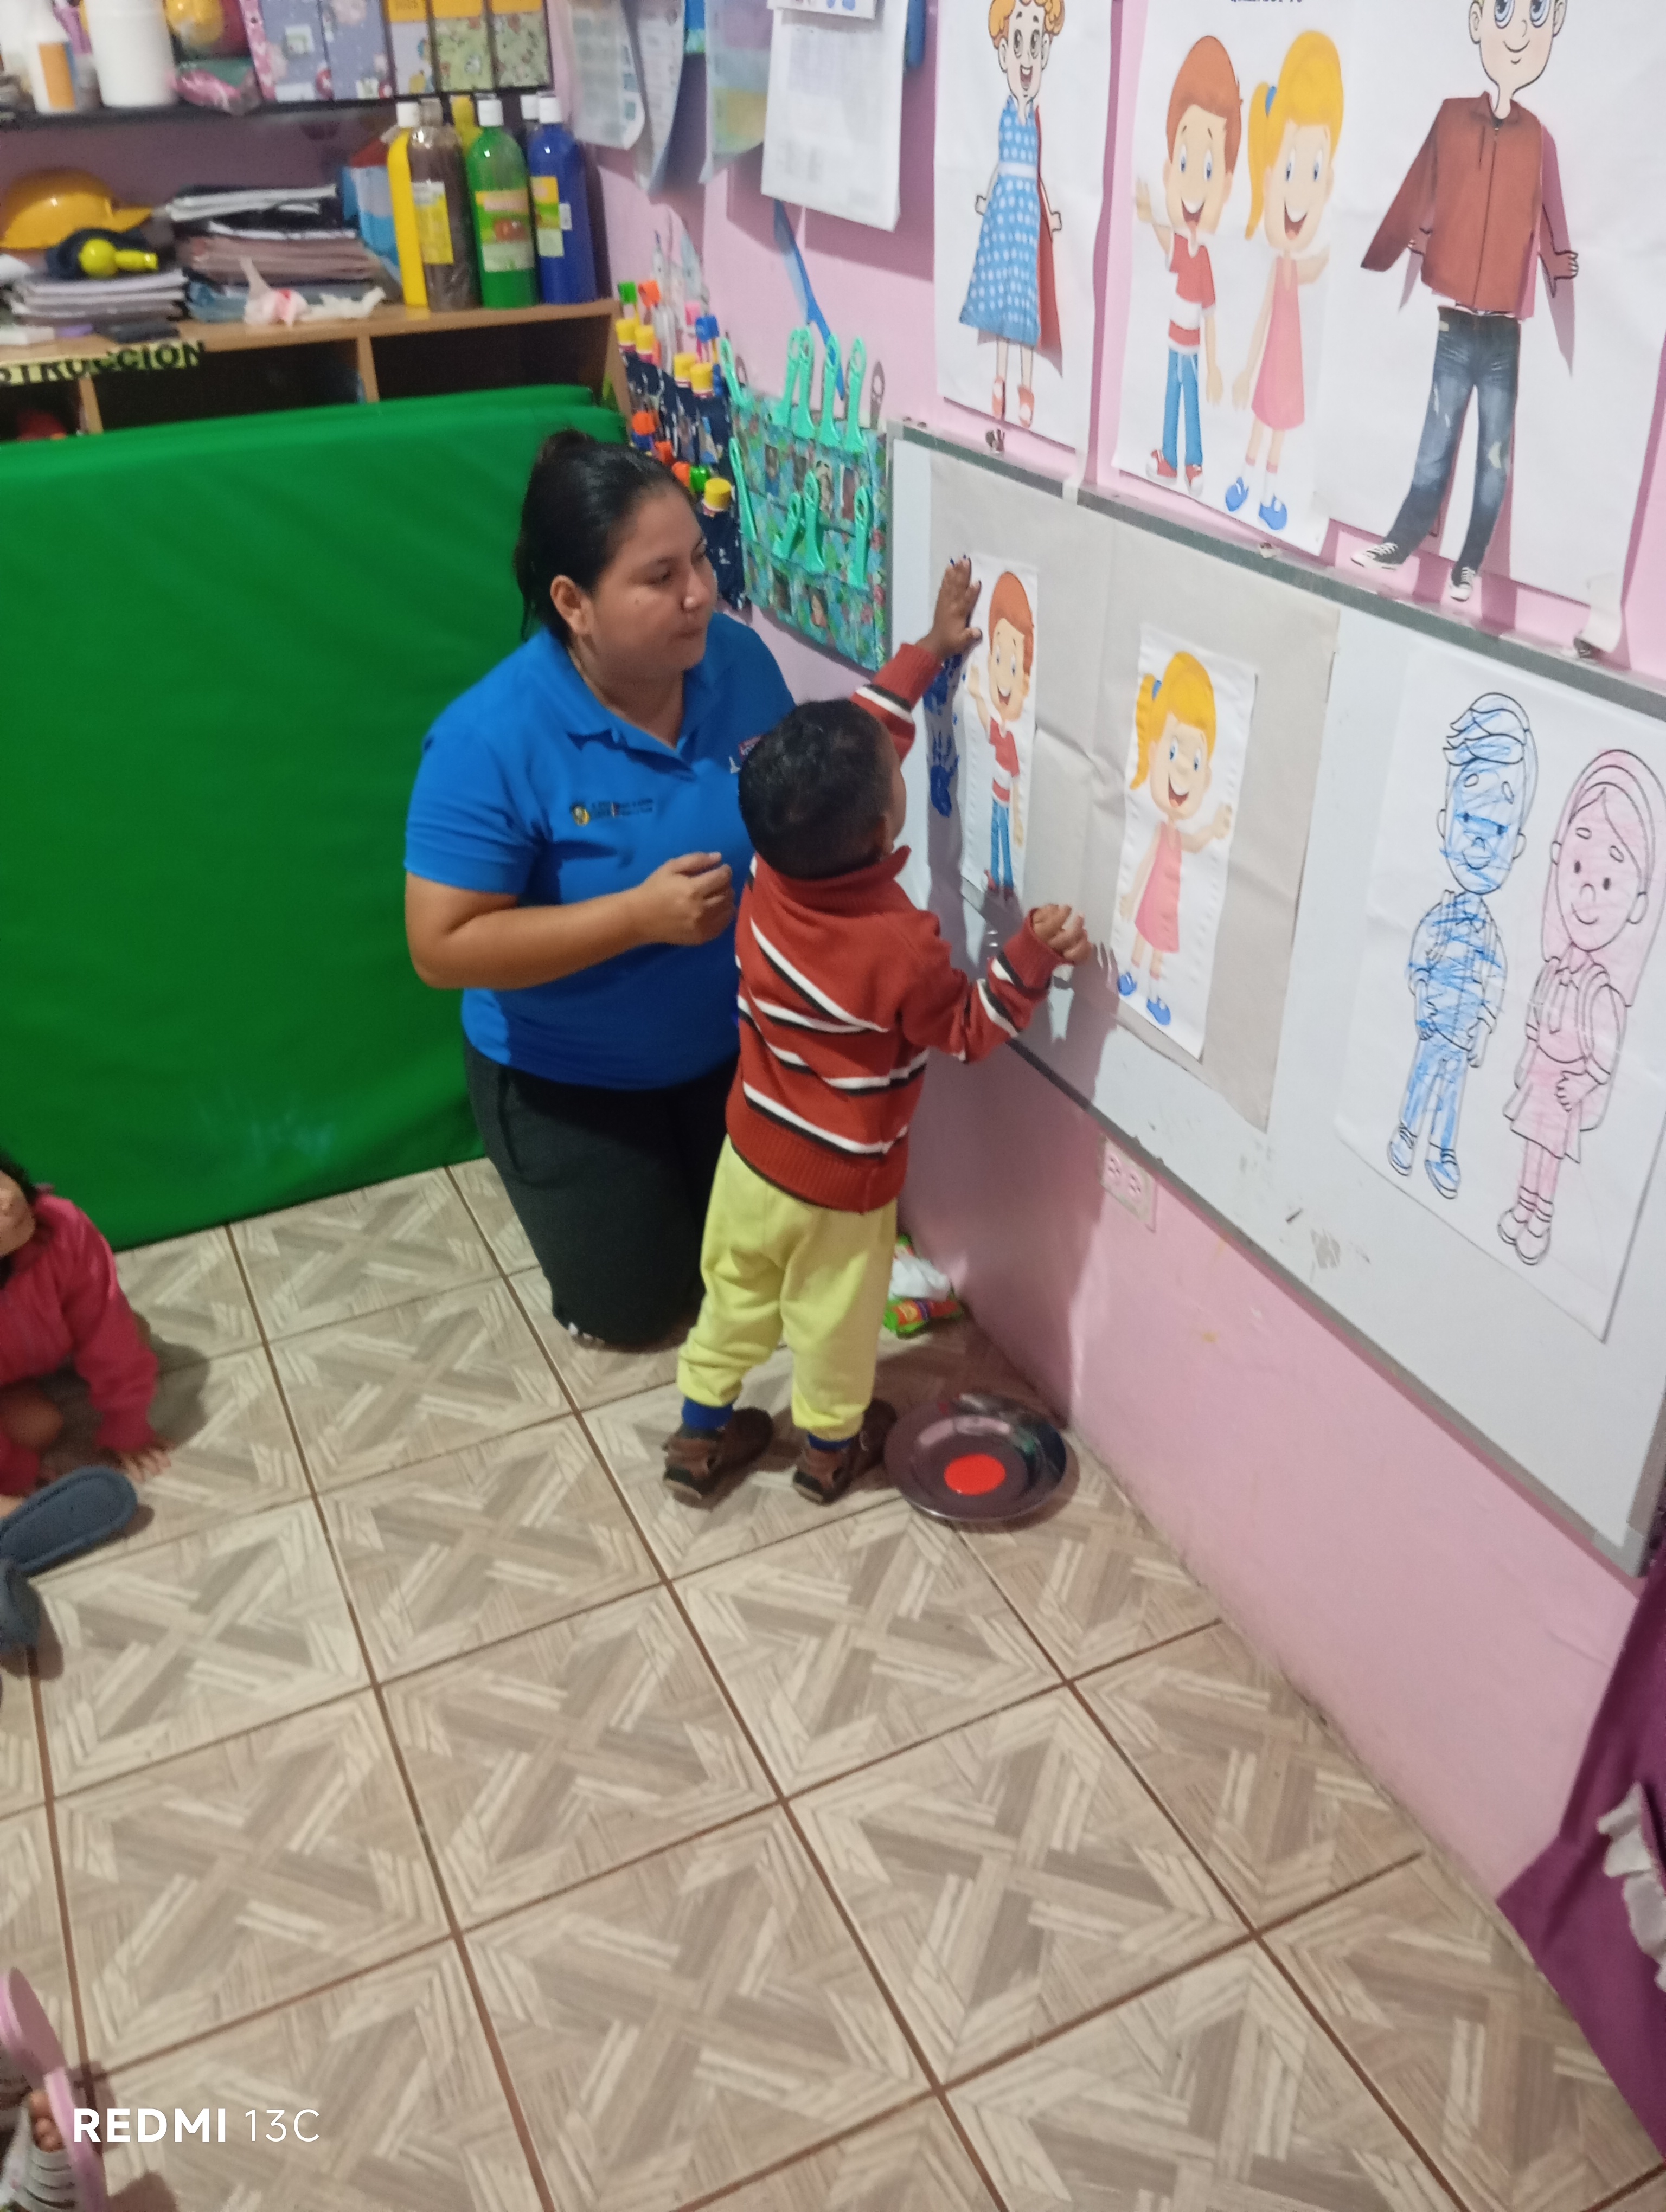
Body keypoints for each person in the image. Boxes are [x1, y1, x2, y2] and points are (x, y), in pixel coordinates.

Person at [660, 561, 1093, 1506]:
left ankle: (698, 1436)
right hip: (840, 1187)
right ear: (882, 827)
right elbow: (968, 1028)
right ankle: (827, 1453)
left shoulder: (770, 873)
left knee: (734, 1294)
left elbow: (863, 734)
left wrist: (930, 650)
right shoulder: (898, 946)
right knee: (833, 1323)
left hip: (750, 1153)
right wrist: (1027, 954)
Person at [404, 433, 796, 1349]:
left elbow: (798, 807)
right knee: (637, 1312)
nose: (698, 594)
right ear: (573, 603)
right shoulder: (488, 738)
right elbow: (442, 947)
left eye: (699, 559)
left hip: (732, 1046)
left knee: (767, 1272)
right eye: (659, 577)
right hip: (567, 1077)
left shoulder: (738, 665)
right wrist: (636, 918)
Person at [1353, 0, 1578, 603]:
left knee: (1493, 460)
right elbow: (1422, 182)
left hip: (1505, 328)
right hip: (1455, 321)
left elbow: (1542, 209)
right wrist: (1397, 243)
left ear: (1555, 22)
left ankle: (1470, 563)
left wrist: (1556, 263)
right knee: (1436, 446)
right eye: (1504, 11)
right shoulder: (1452, 118)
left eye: (1536, 12)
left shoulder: (1536, 137)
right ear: (1477, 19)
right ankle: (1400, 541)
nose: (1519, 29)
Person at [1501, 750, 1665, 1266]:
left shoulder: (1600, 993)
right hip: (1542, 1076)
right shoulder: (1555, 968)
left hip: (1564, 1087)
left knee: (1550, 1153)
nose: (1587, 894)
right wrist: (1528, 1058)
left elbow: (1605, 1058)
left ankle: (1541, 1215)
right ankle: (1521, 1204)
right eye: (1577, 867)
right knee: (1531, 1145)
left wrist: (1584, 1084)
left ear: (1638, 904)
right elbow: (1535, 1019)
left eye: (1609, 883)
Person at [1388, 695, 1537, 1200]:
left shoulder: (1490, 933)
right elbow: (1419, 955)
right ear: (1444, 821)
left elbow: (1496, 982)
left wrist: (1485, 1030)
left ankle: (1442, 1151)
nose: (1479, 842)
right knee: (1421, 1079)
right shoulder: (1442, 915)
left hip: (1462, 1033)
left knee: (1452, 1095)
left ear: (1516, 846)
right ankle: (1407, 1133)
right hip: (1435, 1027)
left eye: (1496, 829)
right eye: (1469, 821)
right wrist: (1422, 993)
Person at [0, 1151, 170, 1512]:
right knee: (38, 1425)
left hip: (46, 1348)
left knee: (134, 1333)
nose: (9, 1200)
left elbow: (108, 1327)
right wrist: (14, 1472)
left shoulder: (61, 1225)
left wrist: (128, 1424)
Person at [1226, 31, 1344, 533]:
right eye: (1292, 168)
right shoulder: (1279, 268)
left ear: (1329, 182)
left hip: (1290, 369)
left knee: (1279, 428)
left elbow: (1313, 271)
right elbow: (1261, 321)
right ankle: (1243, 481)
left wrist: (1334, 255)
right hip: (1275, 363)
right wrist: (1246, 369)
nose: (1300, 191)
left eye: (1314, 170)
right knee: (1262, 422)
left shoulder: (1295, 267)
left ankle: (1270, 494)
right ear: (1270, 173)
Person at [1134, 35, 1241, 494]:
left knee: (1190, 399)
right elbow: (1167, 242)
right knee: (1171, 396)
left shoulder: (1205, 258)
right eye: (1184, 161)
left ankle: (1193, 463)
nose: (1194, 182)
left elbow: (1211, 315)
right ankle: (1168, 457)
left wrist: (1213, 364)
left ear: (1227, 185)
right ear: (1168, 170)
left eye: (1208, 168)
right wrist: (1148, 216)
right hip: (1174, 341)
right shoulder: (1183, 245)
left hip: (1192, 347)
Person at [959, 0, 1065, 430]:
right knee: (1001, 298)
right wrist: (987, 198)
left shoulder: (1036, 119)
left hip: (1026, 214)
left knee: (1025, 300)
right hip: (1004, 209)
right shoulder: (1005, 114)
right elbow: (1000, 165)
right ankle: (999, 379)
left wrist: (1050, 213)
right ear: (1004, 53)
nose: (1026, 58)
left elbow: (1038, 175)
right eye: (1018, 44)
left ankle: (1026, 386)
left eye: (1034, 44)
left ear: (1045, 53)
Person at [1116, 652, 1233, 1028]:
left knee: (1160, 949)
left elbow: (1196, 844)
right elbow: (1146, 863)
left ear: (1207, 779)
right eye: (1173, 751)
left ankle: (1153, 994)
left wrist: (1213, 830)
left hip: (1168, 905)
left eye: (1195, 762)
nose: (1183, 768)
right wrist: (1132, 896)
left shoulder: (1180, 836)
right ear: (1154, 753)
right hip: (1153, 898)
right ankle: (1131, 975)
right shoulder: (1161, 831)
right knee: (1142, 937)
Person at [964, 571, 1035, 898]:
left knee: (1003, 834)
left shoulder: (1011, 740)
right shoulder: (1000, 730)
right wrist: (977, 693)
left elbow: (1018, 781)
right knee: (994, 832)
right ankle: (996, 874)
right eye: (998, 658)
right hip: (995, 795)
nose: (1004, 678)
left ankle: (1005, 877)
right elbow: (983, 718)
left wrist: (1019, 818)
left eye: (1014, 667)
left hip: (1005, 800)